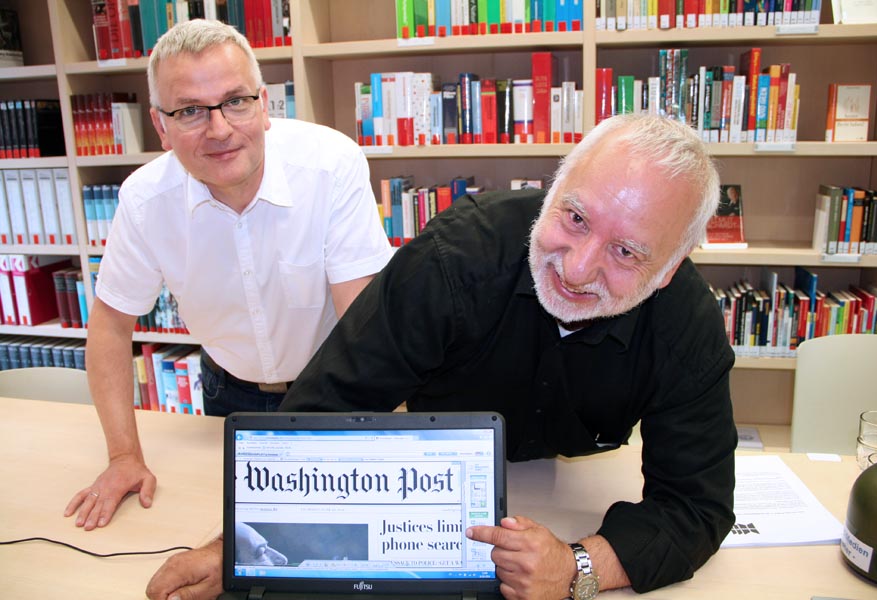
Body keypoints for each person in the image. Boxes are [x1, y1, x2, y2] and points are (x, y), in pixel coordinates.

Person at [145, 113, 737, 600]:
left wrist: (581, 567)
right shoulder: (454, 257)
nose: (578, 269)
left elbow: (695, 506)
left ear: (666, 272)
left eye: (627, 252)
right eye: (574, 217)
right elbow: (330, 405)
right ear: (551, 190)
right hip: (436, 491)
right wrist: (240, 548)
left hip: (561, 495)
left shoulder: (686, 324)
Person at [64, 19, 393, 532]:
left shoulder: (331, 165)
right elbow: (109, 327)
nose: (219, 129)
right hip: (229, 393)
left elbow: (364, 321)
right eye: (190, 111)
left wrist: (379, 434)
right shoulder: (145, 199)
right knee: (231, 529)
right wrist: (123, 455)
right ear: (160, 125)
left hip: (334, 383)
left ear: (264, 105)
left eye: (236, 101)